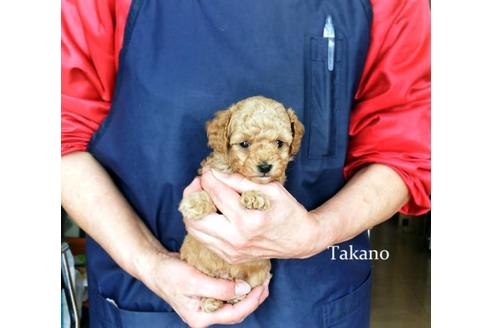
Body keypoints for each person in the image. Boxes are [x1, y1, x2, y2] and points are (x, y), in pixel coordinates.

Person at [61, 0, 430, 327]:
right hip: (147, 298)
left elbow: (408, 149)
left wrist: (318, 231)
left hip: (315, 300)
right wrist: (150, 263)